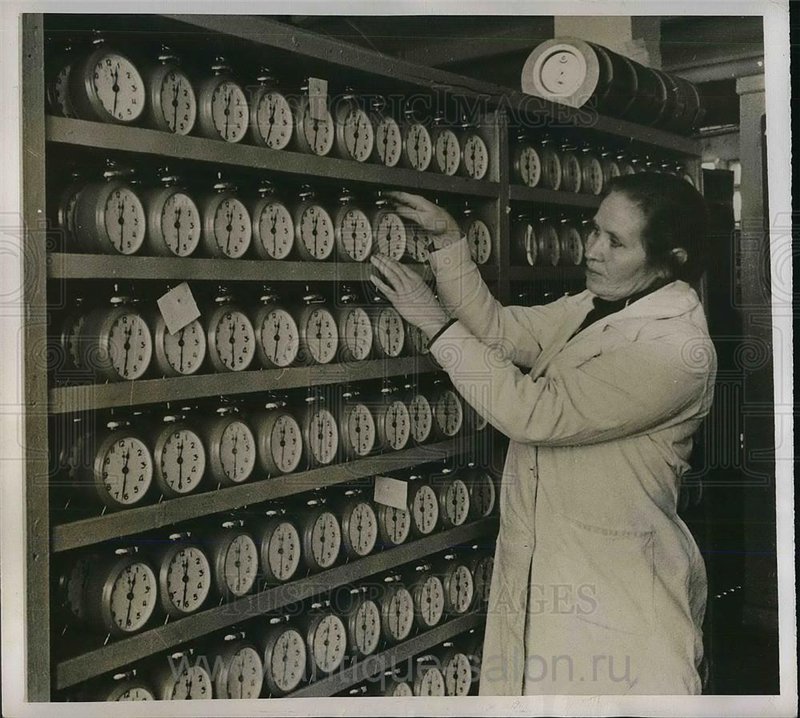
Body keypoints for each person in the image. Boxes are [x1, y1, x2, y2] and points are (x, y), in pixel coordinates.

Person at [369, 173, 716, 695]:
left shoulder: (676, 350)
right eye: (594, 230)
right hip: (560, 573)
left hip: (622, 593)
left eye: (616, 242)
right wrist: (449, 243)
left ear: (671, 260)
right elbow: (501, 332)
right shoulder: (595, 307)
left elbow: (535, 414)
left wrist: (435, 325)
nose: (592, 250)